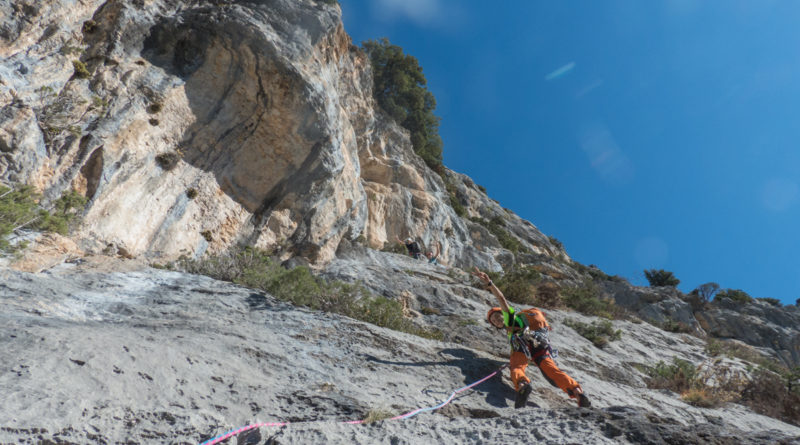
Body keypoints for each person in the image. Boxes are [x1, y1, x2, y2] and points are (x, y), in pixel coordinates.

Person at [472, 267, 592, 409]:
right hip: (539, 343)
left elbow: (501, 299)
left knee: (517, 366)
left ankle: (523, 385)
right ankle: (577, 392)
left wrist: (490, 284)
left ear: (502, 314)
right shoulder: (513, 325)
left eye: (498, 317)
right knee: (551, 370)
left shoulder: (510, 317)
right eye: (494, 321)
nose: (497, 320)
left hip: (521, 345)